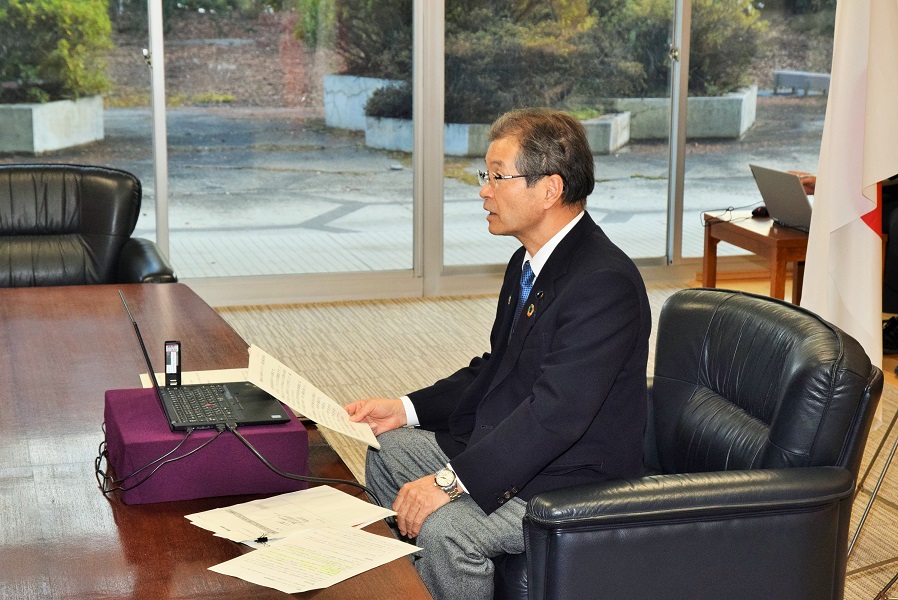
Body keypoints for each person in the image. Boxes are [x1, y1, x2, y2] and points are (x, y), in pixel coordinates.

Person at [344, 108, 652, 600]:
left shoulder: (602, 283)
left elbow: (556, 417)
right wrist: (404, 408)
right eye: (484, 176)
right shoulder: (527, 261)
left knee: (449, 530)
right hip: (515, 444)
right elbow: (496, 369)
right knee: (390, 450)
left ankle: (443, 568)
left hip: (568, 478)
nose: (483, 189)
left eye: (496, 176)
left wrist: (450, 484)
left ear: (549, 189)